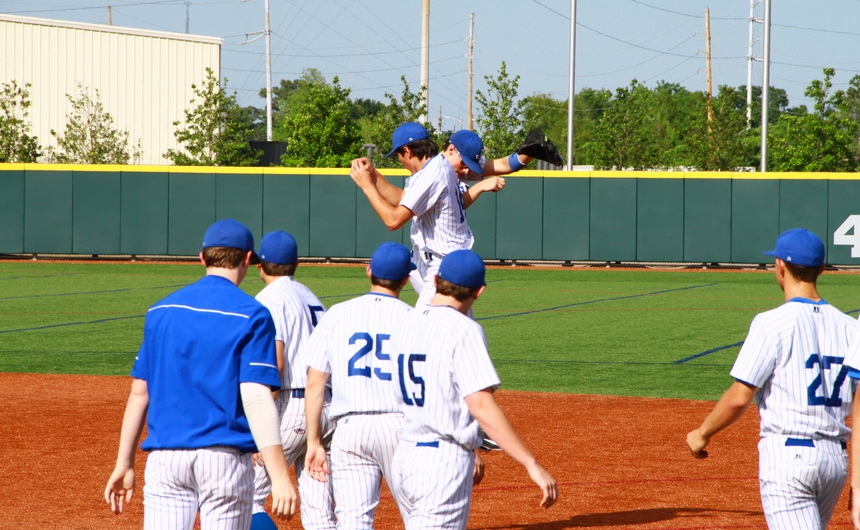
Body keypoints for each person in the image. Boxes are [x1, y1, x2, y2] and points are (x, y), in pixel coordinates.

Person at [104, 218, 297, 529]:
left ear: (202, 257)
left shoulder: (160, 311)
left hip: (166, 458)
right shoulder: (253, 313)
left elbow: (140, 392)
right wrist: (279, 476)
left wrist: (124, 464)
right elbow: (257, 397)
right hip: (224, 459)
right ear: (248, 259)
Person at [686, 228, 856, 530]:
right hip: (836, 461)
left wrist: (702, 433)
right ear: (820, 269)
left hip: (788, 458)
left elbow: (740, 396)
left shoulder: (771, 323)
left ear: (779, 266)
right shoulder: (850, 327)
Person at [388, 249, 558, 529]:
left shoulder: (405, 322)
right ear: (478, 292)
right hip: (442, 463)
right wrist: (531, 463)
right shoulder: (463, 329)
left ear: (435, 278)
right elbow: (480, 404)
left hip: (404, 456)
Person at [349, 123, 534, 310]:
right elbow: (403, 199)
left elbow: (393, 220)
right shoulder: (436, 168)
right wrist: (373, 175)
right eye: (465, 163)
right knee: (452, 324)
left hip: (443, 265)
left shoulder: (434, 172)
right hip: (431, 260)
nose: (466, 169)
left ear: (406, 150)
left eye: (398, 156)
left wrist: (367, 186)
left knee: (426, 324)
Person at [301, 241, 416, 528]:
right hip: (401, 428)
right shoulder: (414, 318)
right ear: (406, 279)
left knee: (353, 520)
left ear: (368, 271)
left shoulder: (337, 314)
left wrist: (314, 441)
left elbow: (315, 383)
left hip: (350, 430)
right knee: (420, 516)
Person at [249, 230, 336, 530]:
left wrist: (258, 429)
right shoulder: (311, 297)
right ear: (296, 263)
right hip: (326, 406)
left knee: (244, 497)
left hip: (292, 409)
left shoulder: (270, 300)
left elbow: (275, 364)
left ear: (259, 264)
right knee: (319, 511)